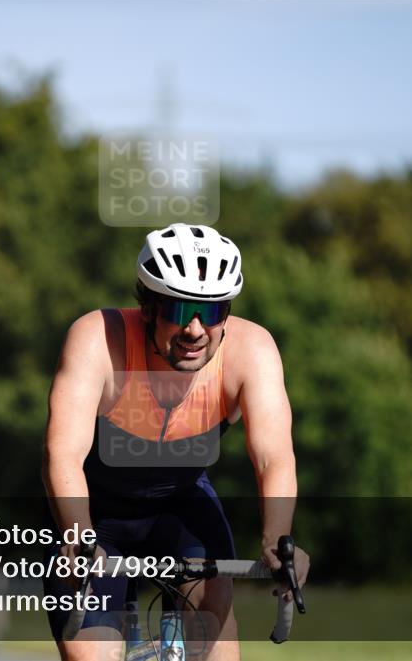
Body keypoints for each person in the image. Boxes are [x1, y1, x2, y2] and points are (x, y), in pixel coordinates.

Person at [42, 223, 309, 661]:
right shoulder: (98, 338)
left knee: (215, 639)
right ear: (147, 307)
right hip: (96, 518)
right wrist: (77, 532)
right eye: (180, 310)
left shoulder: (252, 350)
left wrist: (277, 539)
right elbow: (62, 453)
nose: (196, 330)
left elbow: (274, 458)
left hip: (182, 508)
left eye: (215, 311)